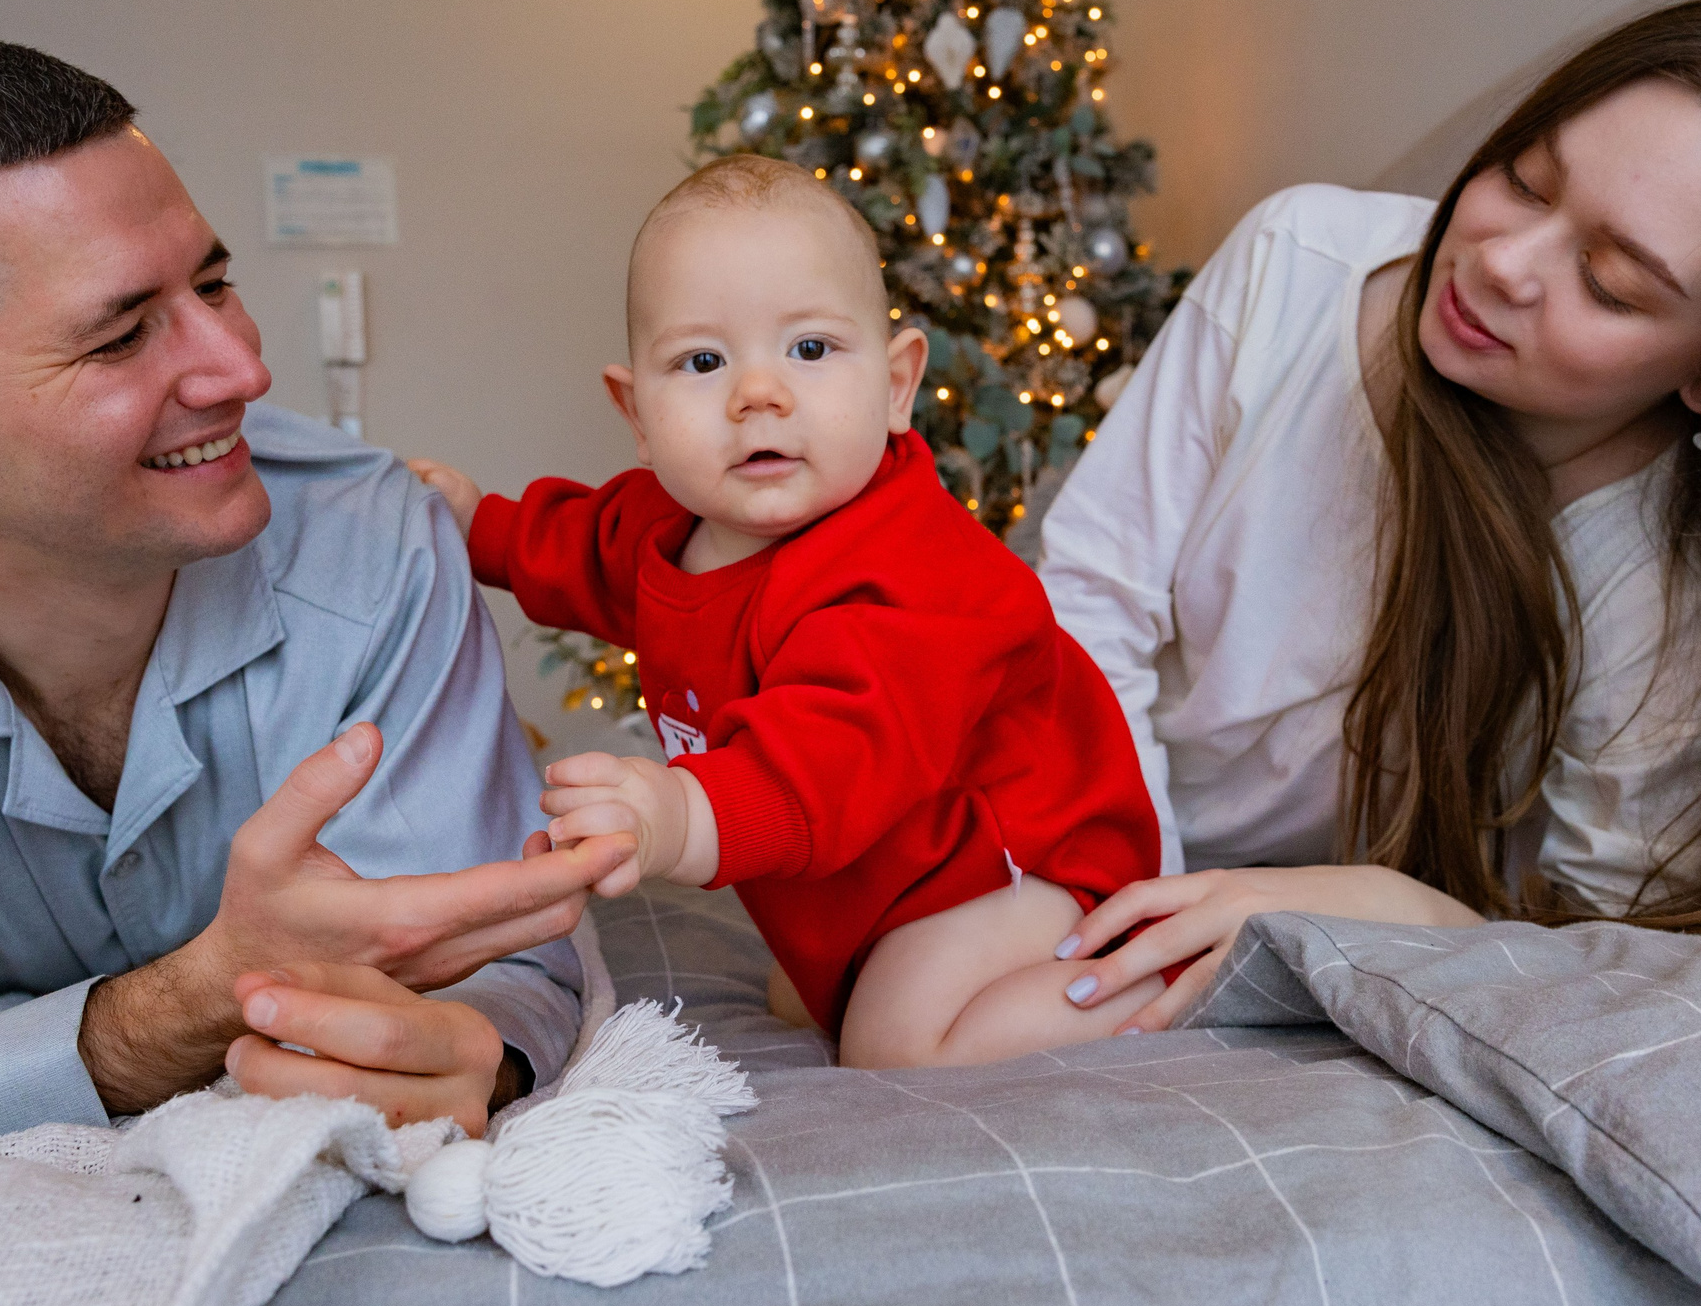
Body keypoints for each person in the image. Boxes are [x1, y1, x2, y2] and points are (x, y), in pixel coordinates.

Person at [0, 35, 634, 1212]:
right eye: (119, 333)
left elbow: (497, 959)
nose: (239, 369)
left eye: (211, 283)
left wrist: (480, 1049)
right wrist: (189, 1006)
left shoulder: (375, 537)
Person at [1038, 0, 1701, 1030]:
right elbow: (1086, 600)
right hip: (1068, 814)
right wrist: (1134, 899)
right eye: (1526, 180)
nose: (1498, 264)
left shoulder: (1666, 602)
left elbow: (1593, 953)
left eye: (1611, 284)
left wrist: (1399, 914)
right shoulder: (1300, 260)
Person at [413, 155, 1161, 1068]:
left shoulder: (913, 576)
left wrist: (677, 815)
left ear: (895, 386)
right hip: (879, 866)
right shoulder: (668, 528)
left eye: (810, 349)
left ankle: (1151, 989)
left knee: (892, 1045)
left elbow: (824, 761)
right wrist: (470, 523)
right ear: (637, 412)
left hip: (1011, 867)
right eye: (702, 360)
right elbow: (573, 549)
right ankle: (870, 961)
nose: (758, 392)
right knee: (813, 993)